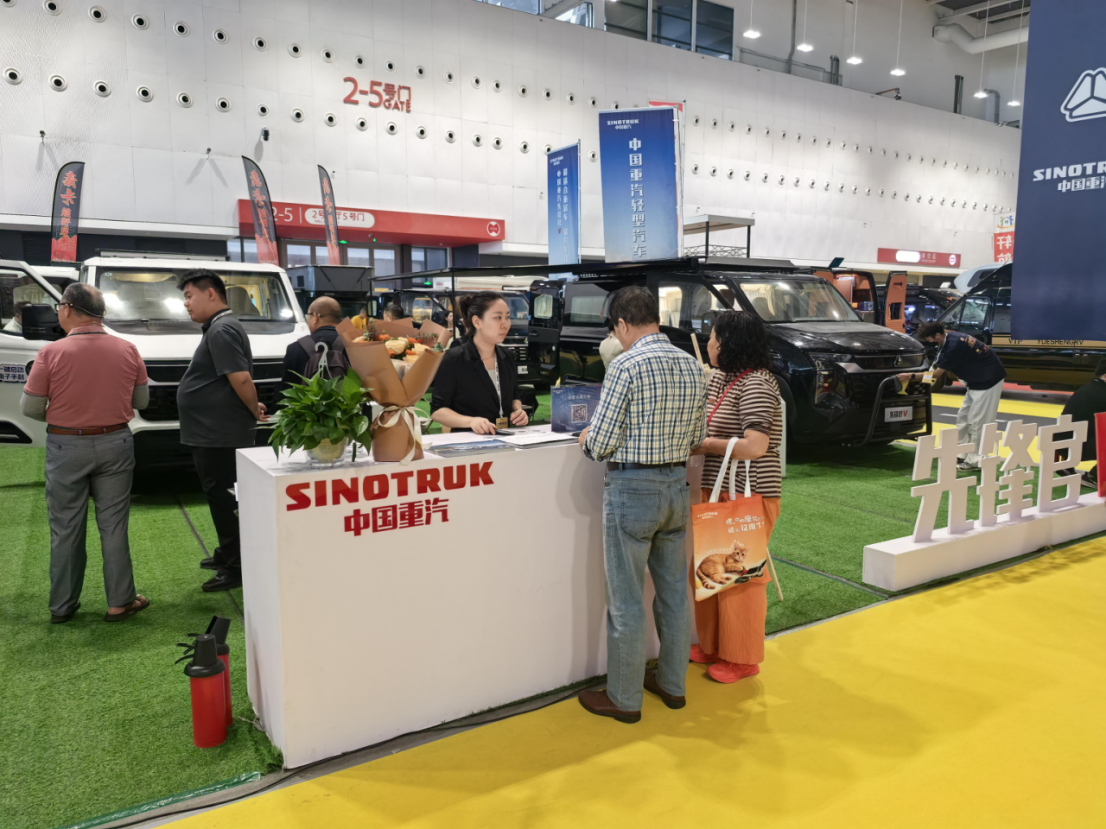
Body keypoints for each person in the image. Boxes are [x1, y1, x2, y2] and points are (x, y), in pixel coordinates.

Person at [577, 286, 708, 723]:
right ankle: (672, 685)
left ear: (621, 324)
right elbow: (696, 437)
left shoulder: (625, 365)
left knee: (626, 599)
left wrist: (587, 438)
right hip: (675, 486)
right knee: (673, 595)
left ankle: (624, 698)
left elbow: (600, 444)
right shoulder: (691, 365)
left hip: (632, 489)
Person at [20, 284, 150, 623]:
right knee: (114, 525)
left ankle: (62, 606)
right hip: (115, 441)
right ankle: (120, 602)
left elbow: (30, 407)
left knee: (65, 527)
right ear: (100, 313)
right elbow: (142, 401)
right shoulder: (128, 349)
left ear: (67, 308)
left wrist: (64, 416)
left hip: (66, 446)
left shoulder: (51, 352)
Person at [689, 311, 784, 683]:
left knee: (742, 576)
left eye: (713, 337)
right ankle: (714, 645)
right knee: (710, 568)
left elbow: (755, 446)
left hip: (748, 492)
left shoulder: (757, 383)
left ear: (728, 343)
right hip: (718, 488)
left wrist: (706, 445)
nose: (709, 344)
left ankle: (742, 658)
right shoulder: (723, 378)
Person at [176, 269, 268, 593]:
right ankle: (228, 552)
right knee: (220, 496)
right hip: (213, 430)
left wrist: (251, 408)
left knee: (225, 499)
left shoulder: (221, 329)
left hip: (218, 433)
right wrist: (252, 405)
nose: (186, 303)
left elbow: (240, 378)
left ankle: (236, 565)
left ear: (211, 293)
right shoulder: (220, 327)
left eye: (189, 296)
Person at [900, 322, 1005, 470]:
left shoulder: (953, 346)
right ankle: (962, 452)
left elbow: (936, 375)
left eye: (930, 339)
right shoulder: (949, 338)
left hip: (989, 381)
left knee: (978, 422)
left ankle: (976, 461)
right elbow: (935, 367)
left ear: (937, 335)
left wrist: (910, 376)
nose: (931, 343)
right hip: (976, 380)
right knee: (963, 418)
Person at [430, 292, 529, 434]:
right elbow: (437, 410)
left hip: (506, 437)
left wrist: (518, 410)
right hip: (468, 440)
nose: (506, 324)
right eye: (498, 317)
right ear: (477, 322)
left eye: (507, 317)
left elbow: (515, 396)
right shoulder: (455, 358)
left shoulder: (507, 356)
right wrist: (471, 421)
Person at [280, 296, 342, 392]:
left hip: (307, 402)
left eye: (308, 316)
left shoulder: (296, 348)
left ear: (315, 317)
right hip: (348, 402)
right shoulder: (355, 346)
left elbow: (285, 390)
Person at [1060, 359, 1106, 489]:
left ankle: (1066, 465)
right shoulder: (1101, 393)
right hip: (1076, 446)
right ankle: (1093, 477)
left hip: (1062, 442)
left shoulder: (1089, 388)